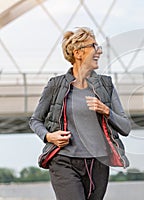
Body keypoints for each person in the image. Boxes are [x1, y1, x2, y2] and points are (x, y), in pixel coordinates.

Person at [29, 27, 131, 200]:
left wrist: (106, 110)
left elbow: (126, 128)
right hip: (63, 160)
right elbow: (35, 120)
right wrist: (49, 137)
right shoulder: (55, 85)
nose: (99, 50)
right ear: (78, 53)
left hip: (98, 163)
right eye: (93, 46)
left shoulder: (106, 85)